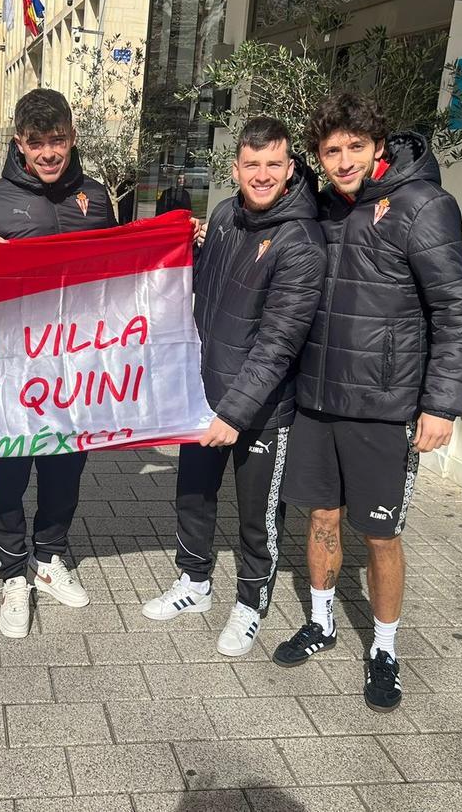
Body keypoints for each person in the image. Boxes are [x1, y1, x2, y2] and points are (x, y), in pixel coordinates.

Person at [275, 93, 462, 712]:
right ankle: (321, 622)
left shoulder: (423, 207)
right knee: (321, 519)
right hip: (317, 400)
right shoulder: (320, 207)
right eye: (331, 150)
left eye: (355, 148)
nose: (343, 162)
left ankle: (385, 648)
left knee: (380, 535)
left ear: (379, 147)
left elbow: (458, 313)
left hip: (384, 408)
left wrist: (442, 405)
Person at [140, 117, 326, 659]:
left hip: (261, 411)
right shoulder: (224, 216)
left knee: (256, 519)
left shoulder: (301, 242)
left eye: (273, 164)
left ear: (289, 169)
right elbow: (201, 293)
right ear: (235, 168)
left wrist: (235, 413)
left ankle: (250, 605)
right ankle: (194, 582)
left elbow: (278, 344)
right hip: (203, 396)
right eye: (252, 164)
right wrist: (187, 247)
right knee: (192, 497)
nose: (262, 175)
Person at [0, 88, 117, 638]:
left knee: (64, 472)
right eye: (37, 143)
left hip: (76, 371)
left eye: (57, 140)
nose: (49, 152)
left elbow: (119, 278)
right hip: (11, 371)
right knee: (9, 475)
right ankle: (12, 574)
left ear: (72, 137)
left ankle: (49, 558)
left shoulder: (96, 198)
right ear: (19, 144)